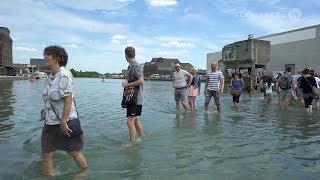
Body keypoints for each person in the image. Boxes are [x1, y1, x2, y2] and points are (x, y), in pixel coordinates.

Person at [41, 45, 88, 176]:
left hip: (65, 122)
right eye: (45, 53)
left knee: (73, 151)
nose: (45, 56)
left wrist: (63, 121)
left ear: (58, 58)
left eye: (48, 54)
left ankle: (85, 172)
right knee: (47, 152)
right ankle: (48, 177)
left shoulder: (64, 75)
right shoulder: (52, 77)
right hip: (50, 122)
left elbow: (68, 100)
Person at [122, 46, 144, 146]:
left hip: (135, 98)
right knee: (135, 119)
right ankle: (142, 135)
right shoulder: (131, 66)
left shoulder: (135, 66)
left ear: (126, 55)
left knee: (129, 122)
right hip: (133, 97)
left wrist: (127, 84)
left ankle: (132, 143)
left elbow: (141, 81)